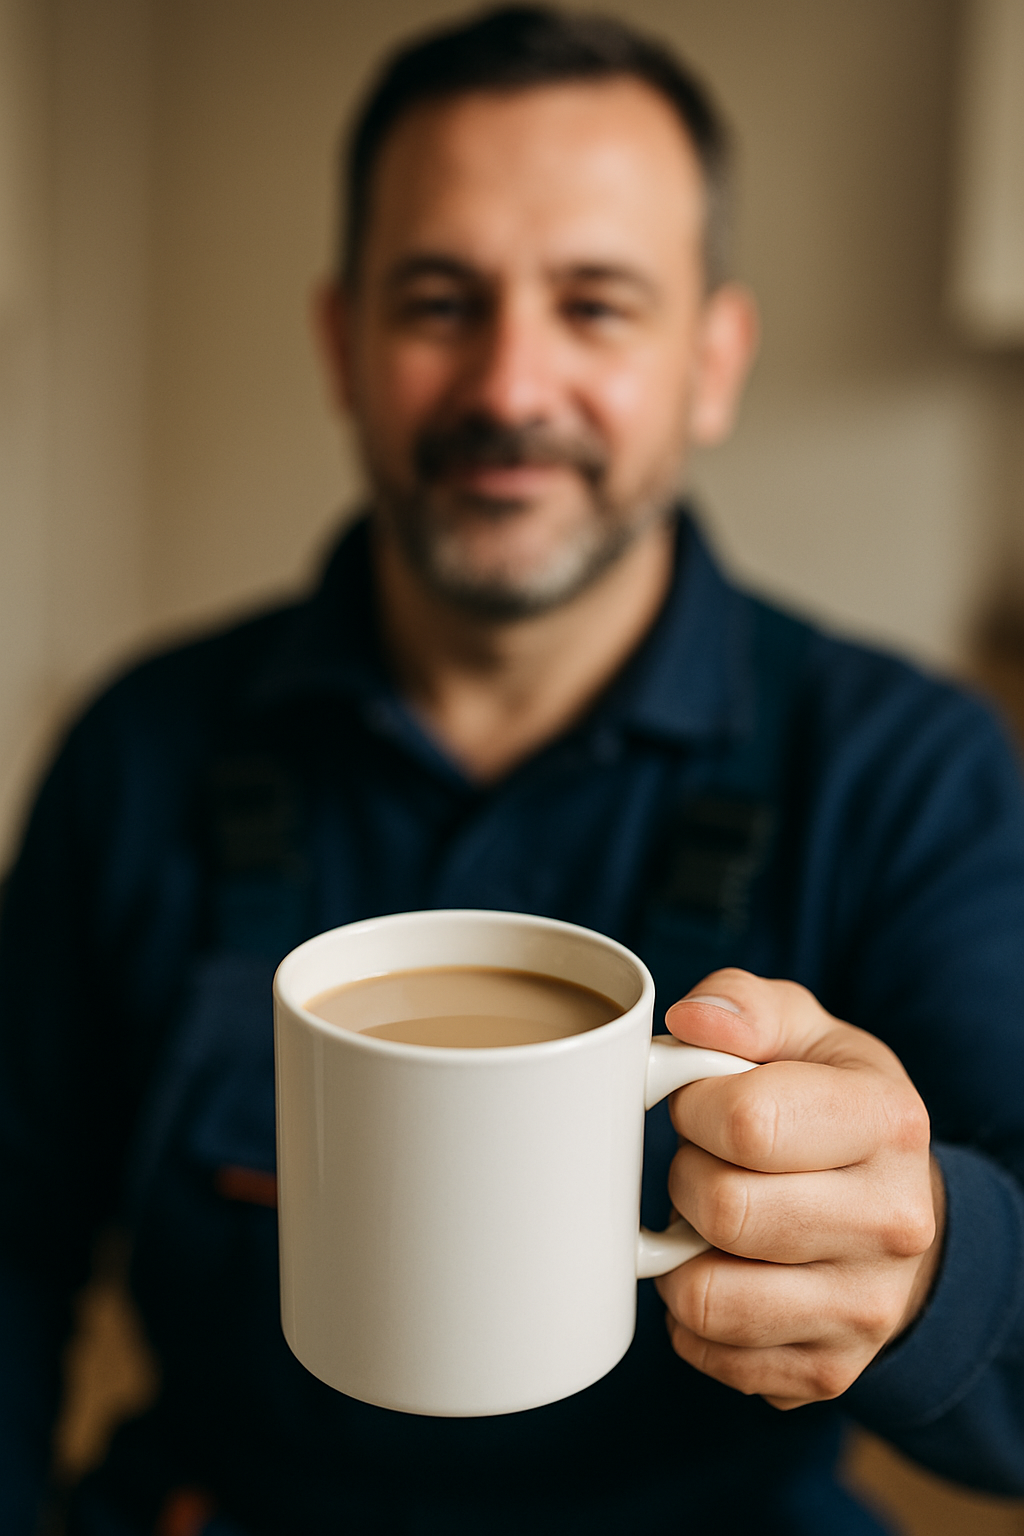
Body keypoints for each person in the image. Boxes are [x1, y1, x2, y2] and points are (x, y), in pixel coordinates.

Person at [2, 7, 1024, 1533]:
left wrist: (939, 1260)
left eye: (597, 305)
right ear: (341, 343)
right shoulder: (140, 749)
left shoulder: (905, 771)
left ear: (712, 362)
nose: (510, 384)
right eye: (438, 300)